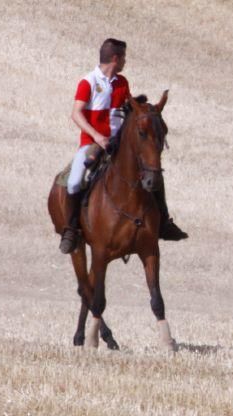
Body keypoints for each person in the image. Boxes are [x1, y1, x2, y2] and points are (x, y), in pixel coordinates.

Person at [59, 38, 186, 254]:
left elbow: (126, 111)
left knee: (154, 174)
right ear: (115, 58)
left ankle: (163, 222)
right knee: (73, 182)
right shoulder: (87, 82)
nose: (126, 61)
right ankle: (71, 230)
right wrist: (98, 137)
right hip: (93, 143)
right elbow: (76, 114)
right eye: (124, 57)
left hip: (120, 145)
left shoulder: (122, 82)